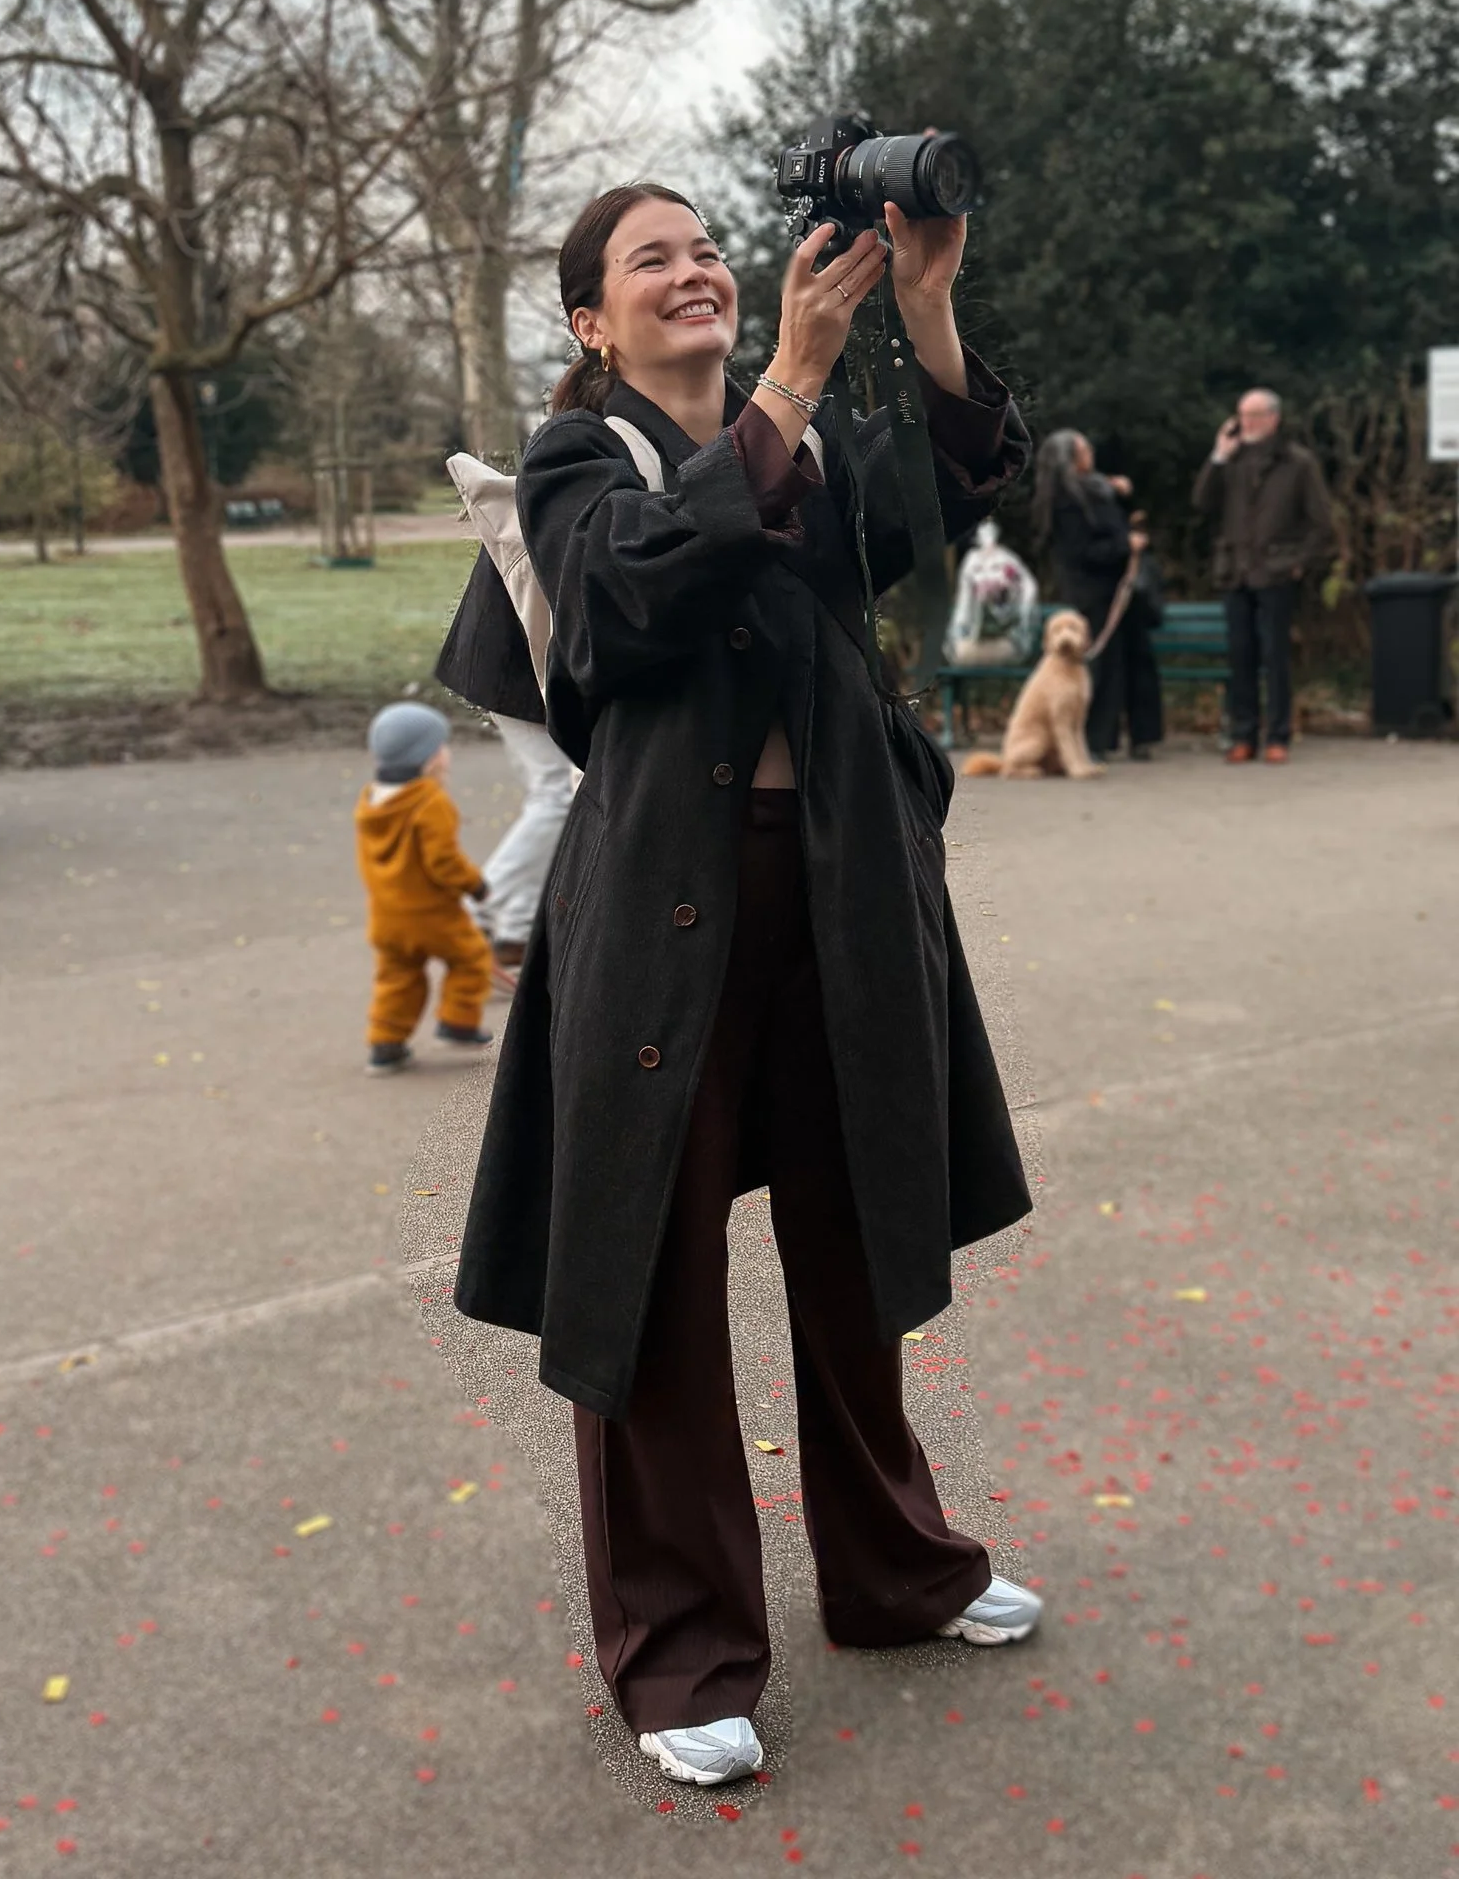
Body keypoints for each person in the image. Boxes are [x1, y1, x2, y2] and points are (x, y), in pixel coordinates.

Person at [452, 175, 1038, 1788]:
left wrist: (921, 311)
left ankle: (900, 1571)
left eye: (707, 246)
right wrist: (783, 382)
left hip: (836, 893)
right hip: (659, 917)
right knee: (653, 1275)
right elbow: (628, 595)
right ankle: (682, 1646)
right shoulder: (583, 460)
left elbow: (937, 525)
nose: (696, 269)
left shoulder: (823, 449)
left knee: (854, 1244)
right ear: (593, 319)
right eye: (655, 259)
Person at [435, 556, 576, 971]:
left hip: (520, 642)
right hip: (518, 648)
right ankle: (474, 914)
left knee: (556, 793)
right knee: (560, 794)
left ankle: (513, 931)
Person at [1192, 389, 1333, 763]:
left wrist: (1295, 562)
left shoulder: (1298, 463)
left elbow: (1322, 526)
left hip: (1275, 574)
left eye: (1254, 416)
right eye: (1241, 416)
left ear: (1273, 418)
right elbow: (1201, 503)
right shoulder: (1231, 459)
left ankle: (1279, 735)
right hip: (1234, 573)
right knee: (1241, 658)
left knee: (1276, 657)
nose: (1246, 424)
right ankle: (1243, 735)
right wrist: (1218, 456)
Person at [354, 703, 493, 1075]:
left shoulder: (370, 803)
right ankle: (458, 1021)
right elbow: (443, 862)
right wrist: (475, 885)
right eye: (442, 746)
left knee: (397, 979)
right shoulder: (430, 803)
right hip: (431, 915)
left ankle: (385, 1045)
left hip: (386, 917)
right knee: (472, 957)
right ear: (429, 758)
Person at [1032, 429, 1162, 761]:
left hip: (1124, 589)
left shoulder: (1100, 490)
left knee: (1138, 661)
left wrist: (1124, 500)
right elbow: (1081, 552)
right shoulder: (1064, 500)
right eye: (1084, 451)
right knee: (1104, 666)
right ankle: (1098, 738)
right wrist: (1125, 545)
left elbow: (1123, 524)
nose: (1091, 455)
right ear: (1071, 460)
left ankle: (1143, 735)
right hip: (1094, 591)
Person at [944, 517, 1039, 665]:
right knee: (964, 651)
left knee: (965, 651)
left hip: (1006, 646)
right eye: (979, 570)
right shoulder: (972, 560)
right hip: (981, 646)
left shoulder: (1007, 560)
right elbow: (963, 610)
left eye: (995, 568)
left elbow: (1029, 590)